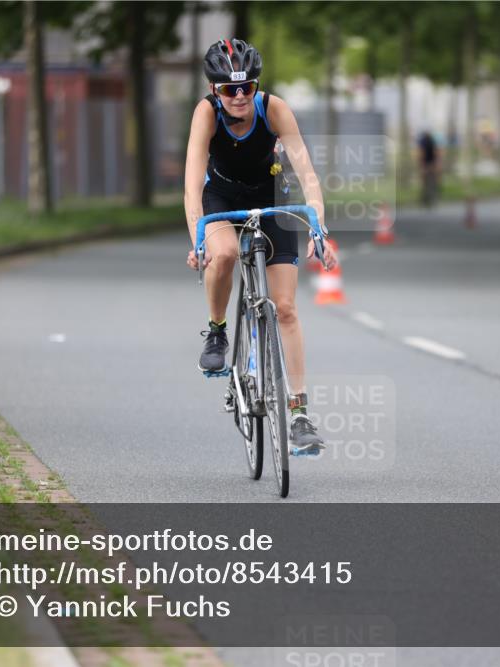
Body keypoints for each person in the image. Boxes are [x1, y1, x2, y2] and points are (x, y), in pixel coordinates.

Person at [183, 38, 337, 454]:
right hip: (222, 198)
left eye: (246, 87)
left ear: (256, 86)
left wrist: (318, 223)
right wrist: (198, 236)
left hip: (273, 195)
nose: (238, 96)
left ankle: (300, 414)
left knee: (285, 307)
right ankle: (217, 333)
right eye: (228, 89)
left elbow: (305, 170)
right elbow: (193, 183)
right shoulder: (206, 113)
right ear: (215, 89)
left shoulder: (274, 109)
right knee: (227, 253)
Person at [417, 130, 441, 207]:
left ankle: (426, 199)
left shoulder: (424, 141)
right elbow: (435, 153)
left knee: (426, 182)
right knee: (431, 182)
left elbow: (422, 153)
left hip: (427, 164)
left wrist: (422, 165)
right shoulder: (431, 141)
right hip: (431, 164)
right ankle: (430, 199)